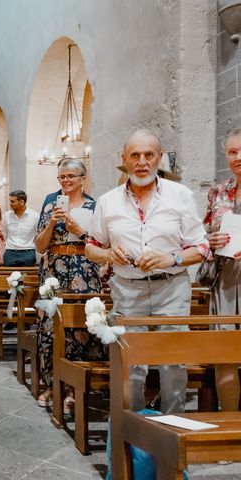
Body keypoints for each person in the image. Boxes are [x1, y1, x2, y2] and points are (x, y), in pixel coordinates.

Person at [85, 129, 209, 414]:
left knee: (173, 360)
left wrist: (171, 258)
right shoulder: (108, 201)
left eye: (149, 155)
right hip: (127, 289)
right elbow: (91, 247)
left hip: (172, 287)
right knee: (131, 360)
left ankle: (173, 429)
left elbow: (202, 247)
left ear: (160, 158)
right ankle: (132, 430)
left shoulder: (180, 196)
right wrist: (108, 253)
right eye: (135, 155)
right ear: (124, 160)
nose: (142, 162)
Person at [33, 158, 106, 413]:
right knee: (51, 327)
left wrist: (80, 230)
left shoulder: (94, 206)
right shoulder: (51, 204)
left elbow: (100, 245)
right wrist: (53, 222)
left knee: (81, 328)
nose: (65, 181)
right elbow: (40, 246)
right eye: (61, 177)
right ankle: (52, 385)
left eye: (71, 176)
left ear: (82, 179)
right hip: (53, 269)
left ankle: (76, 387)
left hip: (83, 270)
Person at [203, 126, 241, 411]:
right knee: (225, 352)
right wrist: (210, 239)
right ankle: (229, 425)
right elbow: (202, 233)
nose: (238, 156)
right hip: (226, 279)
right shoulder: (218, 191)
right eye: (232, 152)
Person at [1, 190, 39, 266]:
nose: (10, 204)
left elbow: (38, 234)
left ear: (21, 202)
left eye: (12, 201)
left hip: (28, 252)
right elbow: (4, 233)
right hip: (10, 253)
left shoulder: (35, 216)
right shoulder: (7, 215)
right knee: (8, 277)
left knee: (27, 277)